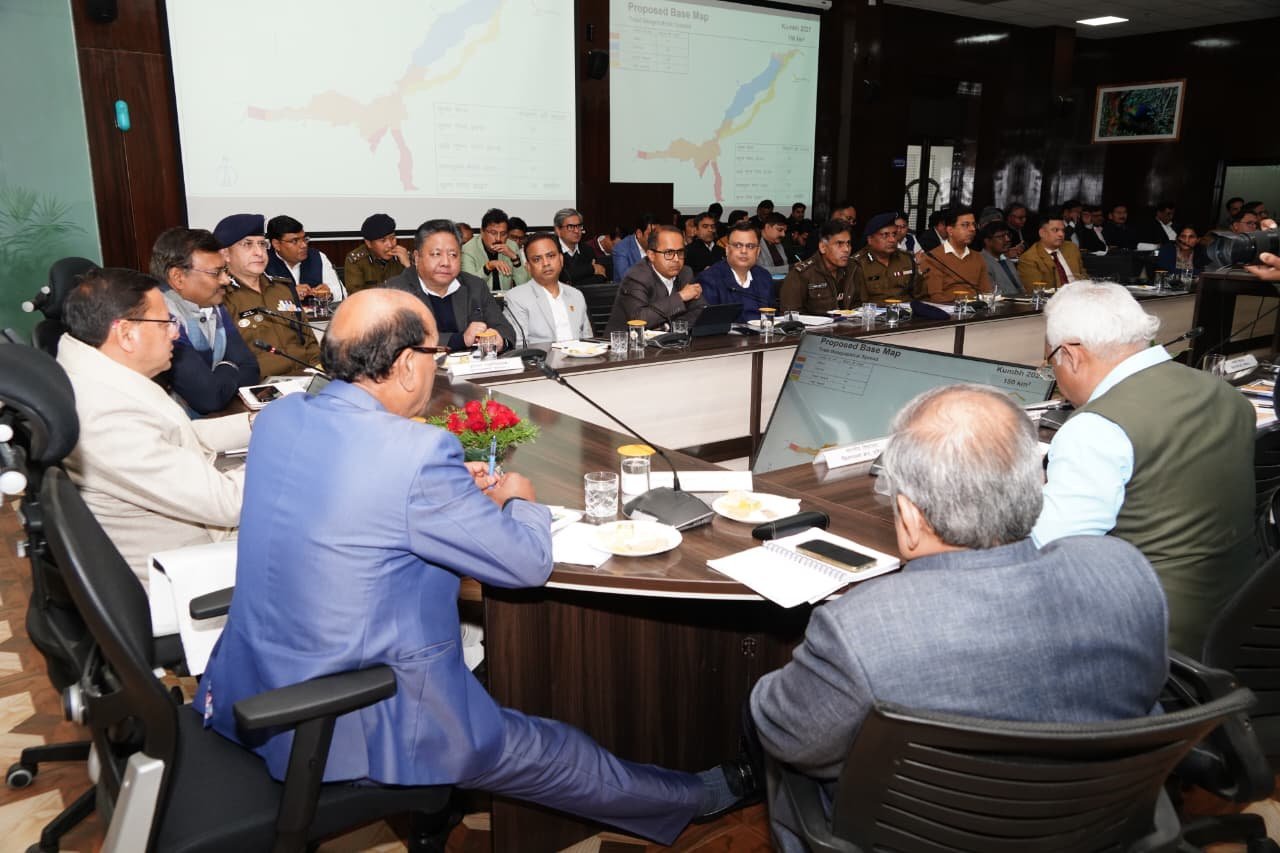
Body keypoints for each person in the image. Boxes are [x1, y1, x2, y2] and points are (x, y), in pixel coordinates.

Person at [195, 289, 754, 845]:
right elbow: (527, 564)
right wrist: (522, 502)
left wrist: (443, 491)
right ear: (407, 365)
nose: (435, 369)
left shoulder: (281, 417)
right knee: (555, 749)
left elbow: (347, 495)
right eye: (435, 355)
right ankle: (693, 797)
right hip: (362, 716)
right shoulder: (414, 453)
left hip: (250, 683)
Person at [750, 383, 1169, 852]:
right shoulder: (1125, 571)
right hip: (1092, 831)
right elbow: (1146, 695)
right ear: (1035, 488)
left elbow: (787, 735)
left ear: (909, 516)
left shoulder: (859, 629)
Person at [1033, 282, 1255, 656]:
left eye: (1051, 363)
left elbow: (1047, 551)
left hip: (1144, 636)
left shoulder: (1095, 428)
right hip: (1235, 619)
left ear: (1071, 355)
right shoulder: (1225, 394)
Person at [56, 267, 249, 584]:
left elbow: (178, 436)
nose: (175, 333)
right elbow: (229, 503)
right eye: (166, 323)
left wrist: (255, 424)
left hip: (200, 538)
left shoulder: (100, 377)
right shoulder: (107, 417)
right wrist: (286, 452)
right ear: (126, 334)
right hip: (194, 572)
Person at [150, 226, 260, 414]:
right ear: (178, 277)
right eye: (216, 273)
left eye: (225, 271)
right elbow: (208, 398)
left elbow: (251, 369)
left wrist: (217, 379)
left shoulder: (213, 305)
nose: (226, 280)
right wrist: (228, 365)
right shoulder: (160, 318)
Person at [384, 219, 515, 353]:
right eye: (436, 254)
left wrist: (500, 341)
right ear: (417, 258)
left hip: (471, 365)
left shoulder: (475, 286)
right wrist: (460, 339)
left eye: (453, 255)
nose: (446, 262)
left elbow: (506, 330)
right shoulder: (397, 290)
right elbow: (399, 338)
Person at [217, 213, 323, 377]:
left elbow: (309, 342)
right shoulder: (221, 297)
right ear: (225, 254)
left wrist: (320, 373)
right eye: (247, 245)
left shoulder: (283, 288)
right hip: (260, 385)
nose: (259, 252)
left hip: (305, 377)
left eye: (262, 244)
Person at [605, 225, 706, 331]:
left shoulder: (685, 272)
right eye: (669, 253)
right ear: (651, 255)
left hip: (671, 339)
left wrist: (667, 327)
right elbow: (639, 319)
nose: (676, 259)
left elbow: (701, 310)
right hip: (627, 340)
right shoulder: (636, 277)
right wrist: (680, 296)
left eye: (680, 252)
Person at [502, 232, 592, 343]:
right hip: (541, 355)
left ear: (561, 260)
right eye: (537, 259)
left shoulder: (576, 295)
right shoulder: (516, 298)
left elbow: (588, 340)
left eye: (551, 256)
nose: (546, 263)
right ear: (528, 267)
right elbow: (520, 345)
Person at [697, 221, 776, 322]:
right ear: (727, 249)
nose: (744, 251)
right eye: (738, 245)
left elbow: (773, 315)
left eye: (750, 246)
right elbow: (710, 324)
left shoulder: (764, 276)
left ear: (758, 252)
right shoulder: (709, 279)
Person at [778, 219, 856, 313]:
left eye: (848, 243)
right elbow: (790, 316)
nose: (846, 249)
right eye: (839, 244)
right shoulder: (800, 275)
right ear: (823, 247)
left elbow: (862, 306)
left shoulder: (853, 268)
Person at [916, 206, 992, 301]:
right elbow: (936, 297)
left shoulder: (978, 257)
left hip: (977, 307)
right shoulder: (933, 258)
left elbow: (986, 292)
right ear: (950, 230)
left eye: (974, 224)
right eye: (965, 225)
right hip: (947, 308)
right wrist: (967, 300)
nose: (972, 229)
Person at [265, 215, 346, 302]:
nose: (304, 245)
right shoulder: (263, 261)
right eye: (294, 241)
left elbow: (342, 294)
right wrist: (289, 294)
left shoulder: (317, 257)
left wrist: (329, 294)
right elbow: (259, 298)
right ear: (276, 244)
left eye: (304, 239)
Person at [850, 212, 916, 303]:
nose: (892, 240)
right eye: (885, 235)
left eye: (894, 234)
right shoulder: (857, 263)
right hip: (873, 311)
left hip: (906, 309)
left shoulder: (906, 259)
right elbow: (856, 303)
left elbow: (921, 295)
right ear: (870, 239)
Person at [460, 207, 529, 293]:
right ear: (482, 232)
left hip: (505, 299)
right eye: (493, 233)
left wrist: (515, 258)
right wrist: (488, 267)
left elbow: (523, 284)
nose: (498, 238)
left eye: (503, 234)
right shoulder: (468, 250)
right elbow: (470, 285)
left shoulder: (511, 246)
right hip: (479, 300)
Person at [343, 213, 410, 294]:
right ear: (369, 243)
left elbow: (418, 291)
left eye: (392, 238)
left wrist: (408, 266)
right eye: (383, 241)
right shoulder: (357, 261)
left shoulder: (402, 256)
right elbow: (356, 296)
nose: (390, 245)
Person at [1017, 217, 1085, 290]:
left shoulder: (1071, 248)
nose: (1061, 234)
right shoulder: (1028, 259)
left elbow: (1083, 276)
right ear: (1042, 233)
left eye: (1063, 230)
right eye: (1055, 230)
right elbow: (1037, 290)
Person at [554, 208, 607, 286]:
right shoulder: (550, 250)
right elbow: (558, 279)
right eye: (571, 227)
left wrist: (572, 280)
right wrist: (591, 269)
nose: (577, 231)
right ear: (558, 230)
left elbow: (601, 278)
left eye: (579, 226)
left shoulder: (588, 250)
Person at [977, 221, 1023, 296]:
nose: (1007, 239)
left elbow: (1020, 288)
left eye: (1008, 235)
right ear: (987, 241)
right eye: (1001, 237)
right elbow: (992, 293)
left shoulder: (1006, 260)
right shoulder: (981, 262)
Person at [612, 213, 656, 280]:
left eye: (658, 234)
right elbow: (626, 278)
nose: (656, 238)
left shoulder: (661, 245)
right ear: (639, 233)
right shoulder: (621, 248)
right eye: (651, 234)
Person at [758, 212, 790, 276]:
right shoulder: (754, 242)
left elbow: (785, 263)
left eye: (784, 231)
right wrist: (789, 268)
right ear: (767, 227)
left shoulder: (778, 243)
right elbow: (759, 270)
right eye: (780, 230)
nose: (783, 234)